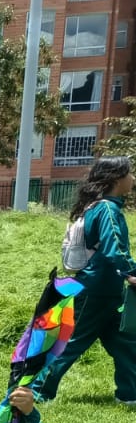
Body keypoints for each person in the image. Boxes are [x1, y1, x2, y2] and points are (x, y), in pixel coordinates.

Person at [37, 156, 136, 405]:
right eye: (129, 173)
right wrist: (131, 272)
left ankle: (129, 394)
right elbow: (115, 247)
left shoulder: (100, 207)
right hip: (96, 290)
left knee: (125, 343)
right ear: (116, 178)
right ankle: (36, 392)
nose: (133, 178)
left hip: (108, 290)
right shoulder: (107, 209)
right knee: (71, 343)